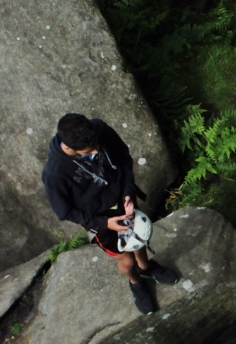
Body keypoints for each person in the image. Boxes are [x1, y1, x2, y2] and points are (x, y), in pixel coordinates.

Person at [41, 113, 179, 315]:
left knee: (138, 239)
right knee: (126, 259)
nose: (97, 150)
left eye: (96, 144)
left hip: (123, 200)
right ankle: (135, 282)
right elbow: (65, 211)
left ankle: (147, 268)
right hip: (100, 220)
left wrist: (128, 194)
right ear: (69, 148)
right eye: (89, 151)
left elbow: (124, 159)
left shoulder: (99, 129)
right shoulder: (54, 173)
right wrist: (105, 222)